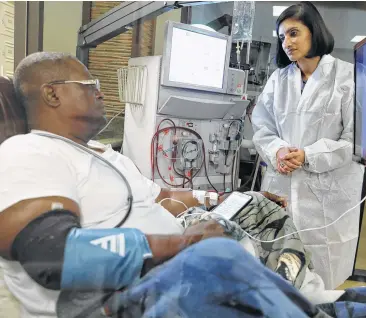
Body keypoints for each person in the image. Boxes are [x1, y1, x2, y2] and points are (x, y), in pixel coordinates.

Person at [0, 52, 312, 318]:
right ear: (52, 94)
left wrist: (224, 198)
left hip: (172, 262)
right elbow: (52, 256)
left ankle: (295, 297)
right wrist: (183, 245)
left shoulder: (106, 156)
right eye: (90, 85)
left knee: (256, 205)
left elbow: (164, 198)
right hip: (113, 298)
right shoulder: (31, 151)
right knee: (218, 255)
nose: (101, 92)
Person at [251, 2, 364, 289]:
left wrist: (308, 155)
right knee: (280, 267)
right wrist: (278, 150)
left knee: (322, 273)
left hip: (328, 195)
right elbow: (262, 126)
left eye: (293, 33)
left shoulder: (347, 77)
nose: (287, 43)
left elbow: (356, 139)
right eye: (282, 37)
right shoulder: (279, 79)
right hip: (282, 184)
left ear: (314, 31)